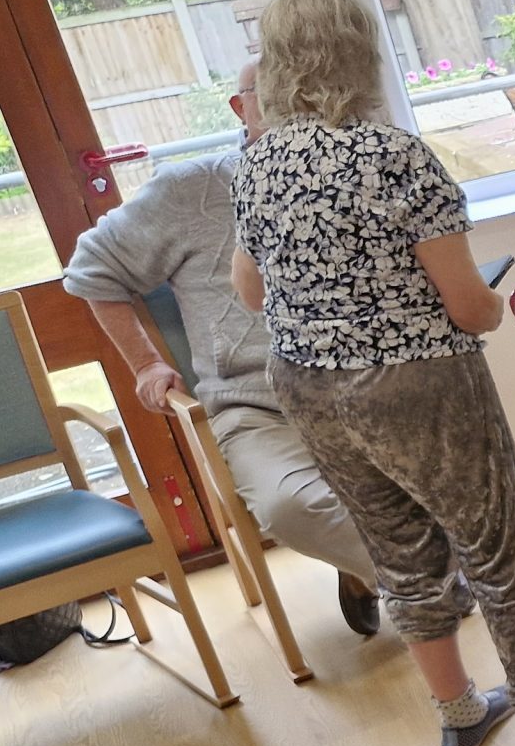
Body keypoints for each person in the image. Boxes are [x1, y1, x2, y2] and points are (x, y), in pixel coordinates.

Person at [229, 0, 515, 746]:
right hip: (416, 382)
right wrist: (476, 299)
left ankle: (460, 712)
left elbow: (249, 290)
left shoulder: (258, 165)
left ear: (275, 63)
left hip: (308, 384)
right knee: (495, 542)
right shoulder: (394, 156)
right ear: (360, 54)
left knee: (398, 549)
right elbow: (471, 308)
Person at [64, 61, 383, 638]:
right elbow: (92, 268)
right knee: (294, 508)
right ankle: (423, 580)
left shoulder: (357, 167)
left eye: (305, 91)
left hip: (373, 387)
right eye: (275, 94)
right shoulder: (193, 188)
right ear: (242, 109)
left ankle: (375, 566)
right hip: (256, 404)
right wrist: (146, 361)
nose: (295, 105)